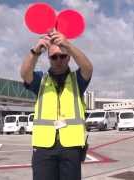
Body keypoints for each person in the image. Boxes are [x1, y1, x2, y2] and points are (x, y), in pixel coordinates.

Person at [20, 30, 93, 180]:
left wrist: (68, 44)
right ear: (49, 59)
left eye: (63, 56)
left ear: (69, 58)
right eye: (54, 57)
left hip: (71, 147)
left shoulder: (76, 80)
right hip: (43, 147)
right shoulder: (40, 80)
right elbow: (25, 73)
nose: (58, 60)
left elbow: (88, 68)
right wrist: (35, 51)